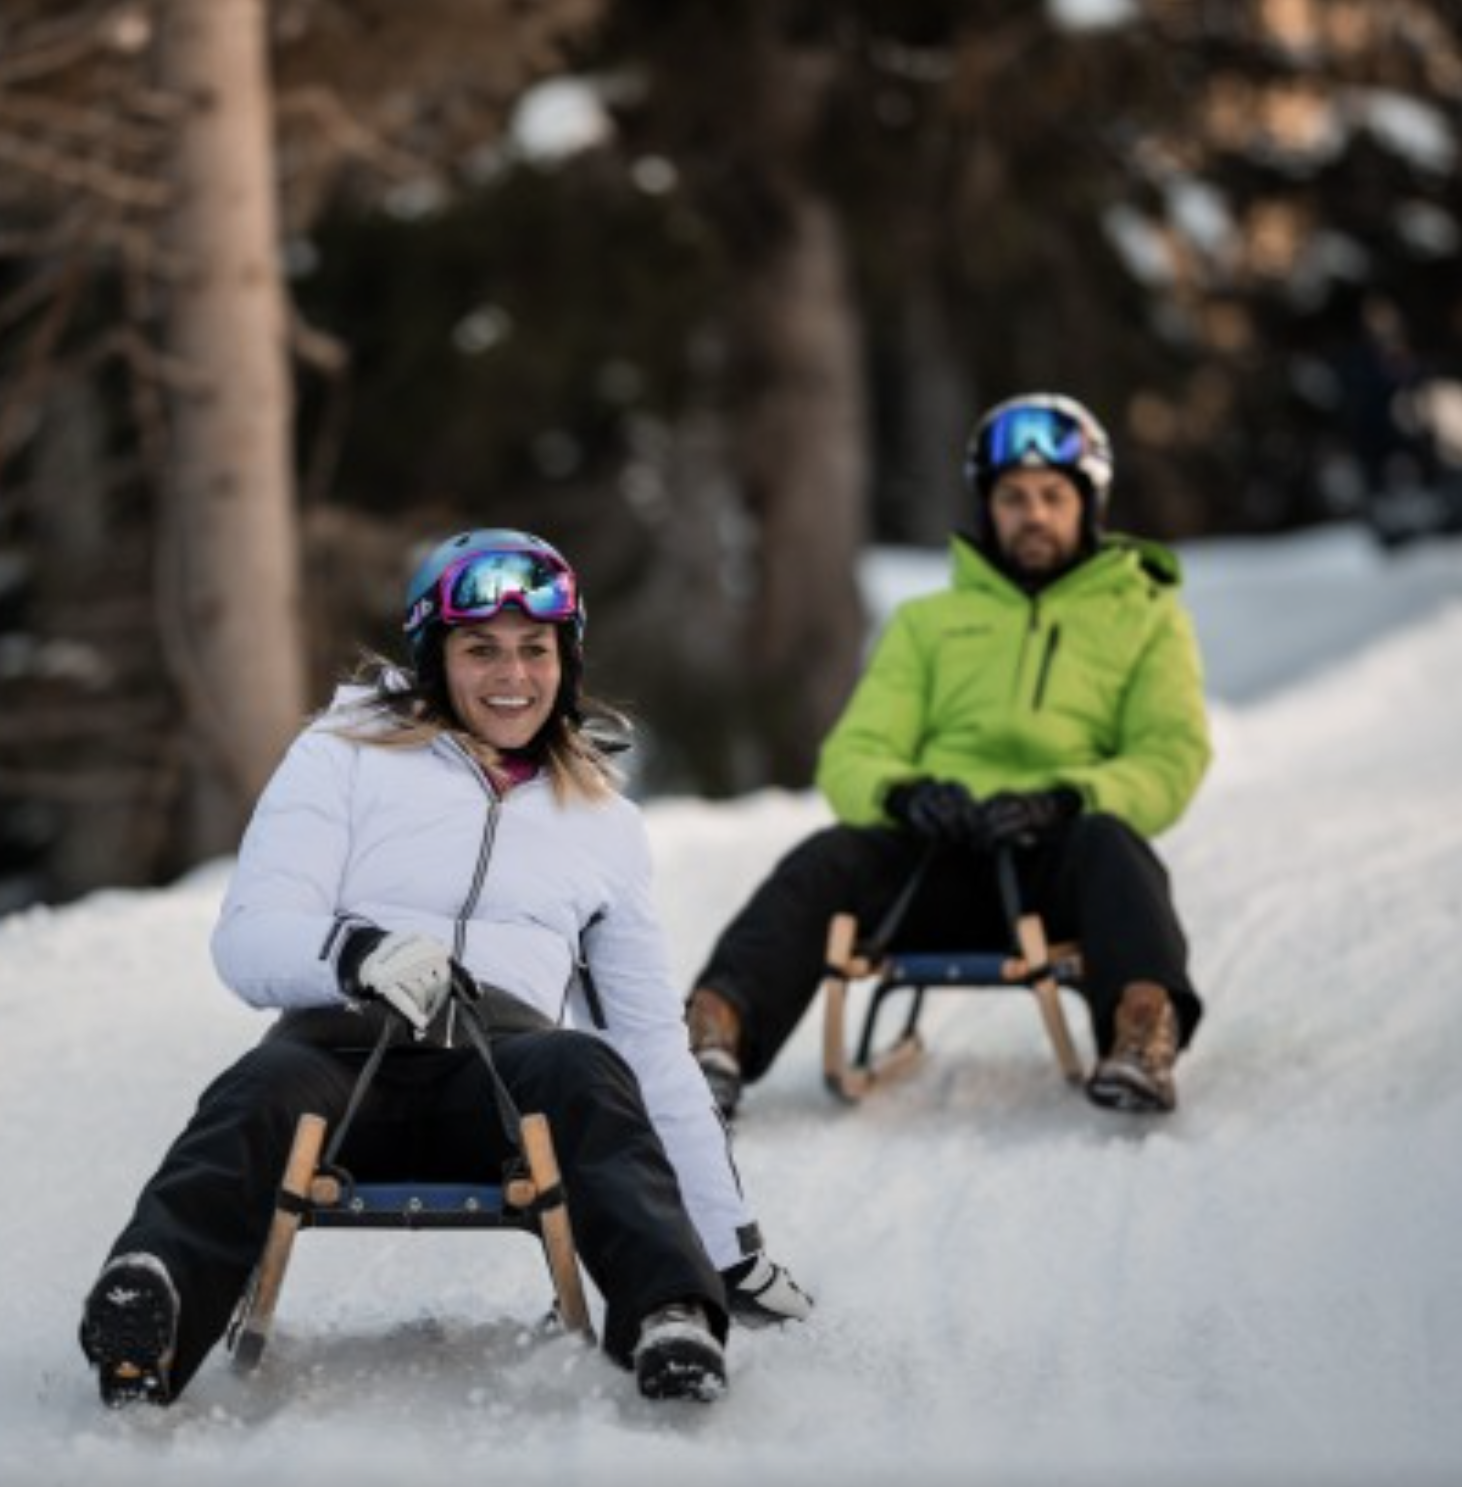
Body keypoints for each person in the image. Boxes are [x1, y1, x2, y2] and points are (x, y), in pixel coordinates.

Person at [79, 528, 812, 1409]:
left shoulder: (602, 823)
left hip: (503, 1078)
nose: (513, 675)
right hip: (340, 1058)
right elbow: (250, 936)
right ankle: (149, 1299)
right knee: (257, 1090)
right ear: (433, 658)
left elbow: (651, 1045)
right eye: (481, 650)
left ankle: (672, 1316)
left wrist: (728, 1244)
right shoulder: (341, 756)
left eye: (535, 650)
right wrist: (355, 953)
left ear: (566, 662)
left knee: (590, 1068)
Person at [683, 394, 1213, 1117]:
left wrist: (1065, 798)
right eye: (1013, 496)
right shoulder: (927, 624)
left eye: (1053, 496)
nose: (1033, 513)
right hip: (936, 859)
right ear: (987, 506)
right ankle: (712, 1038)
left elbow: (1170, 753)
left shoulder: (1145, 617)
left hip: (1057, 868)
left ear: (1088, 505)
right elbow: (855, 752)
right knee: (826, 859)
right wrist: (906, 796)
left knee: (1114, 846)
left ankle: (1142, 1032)